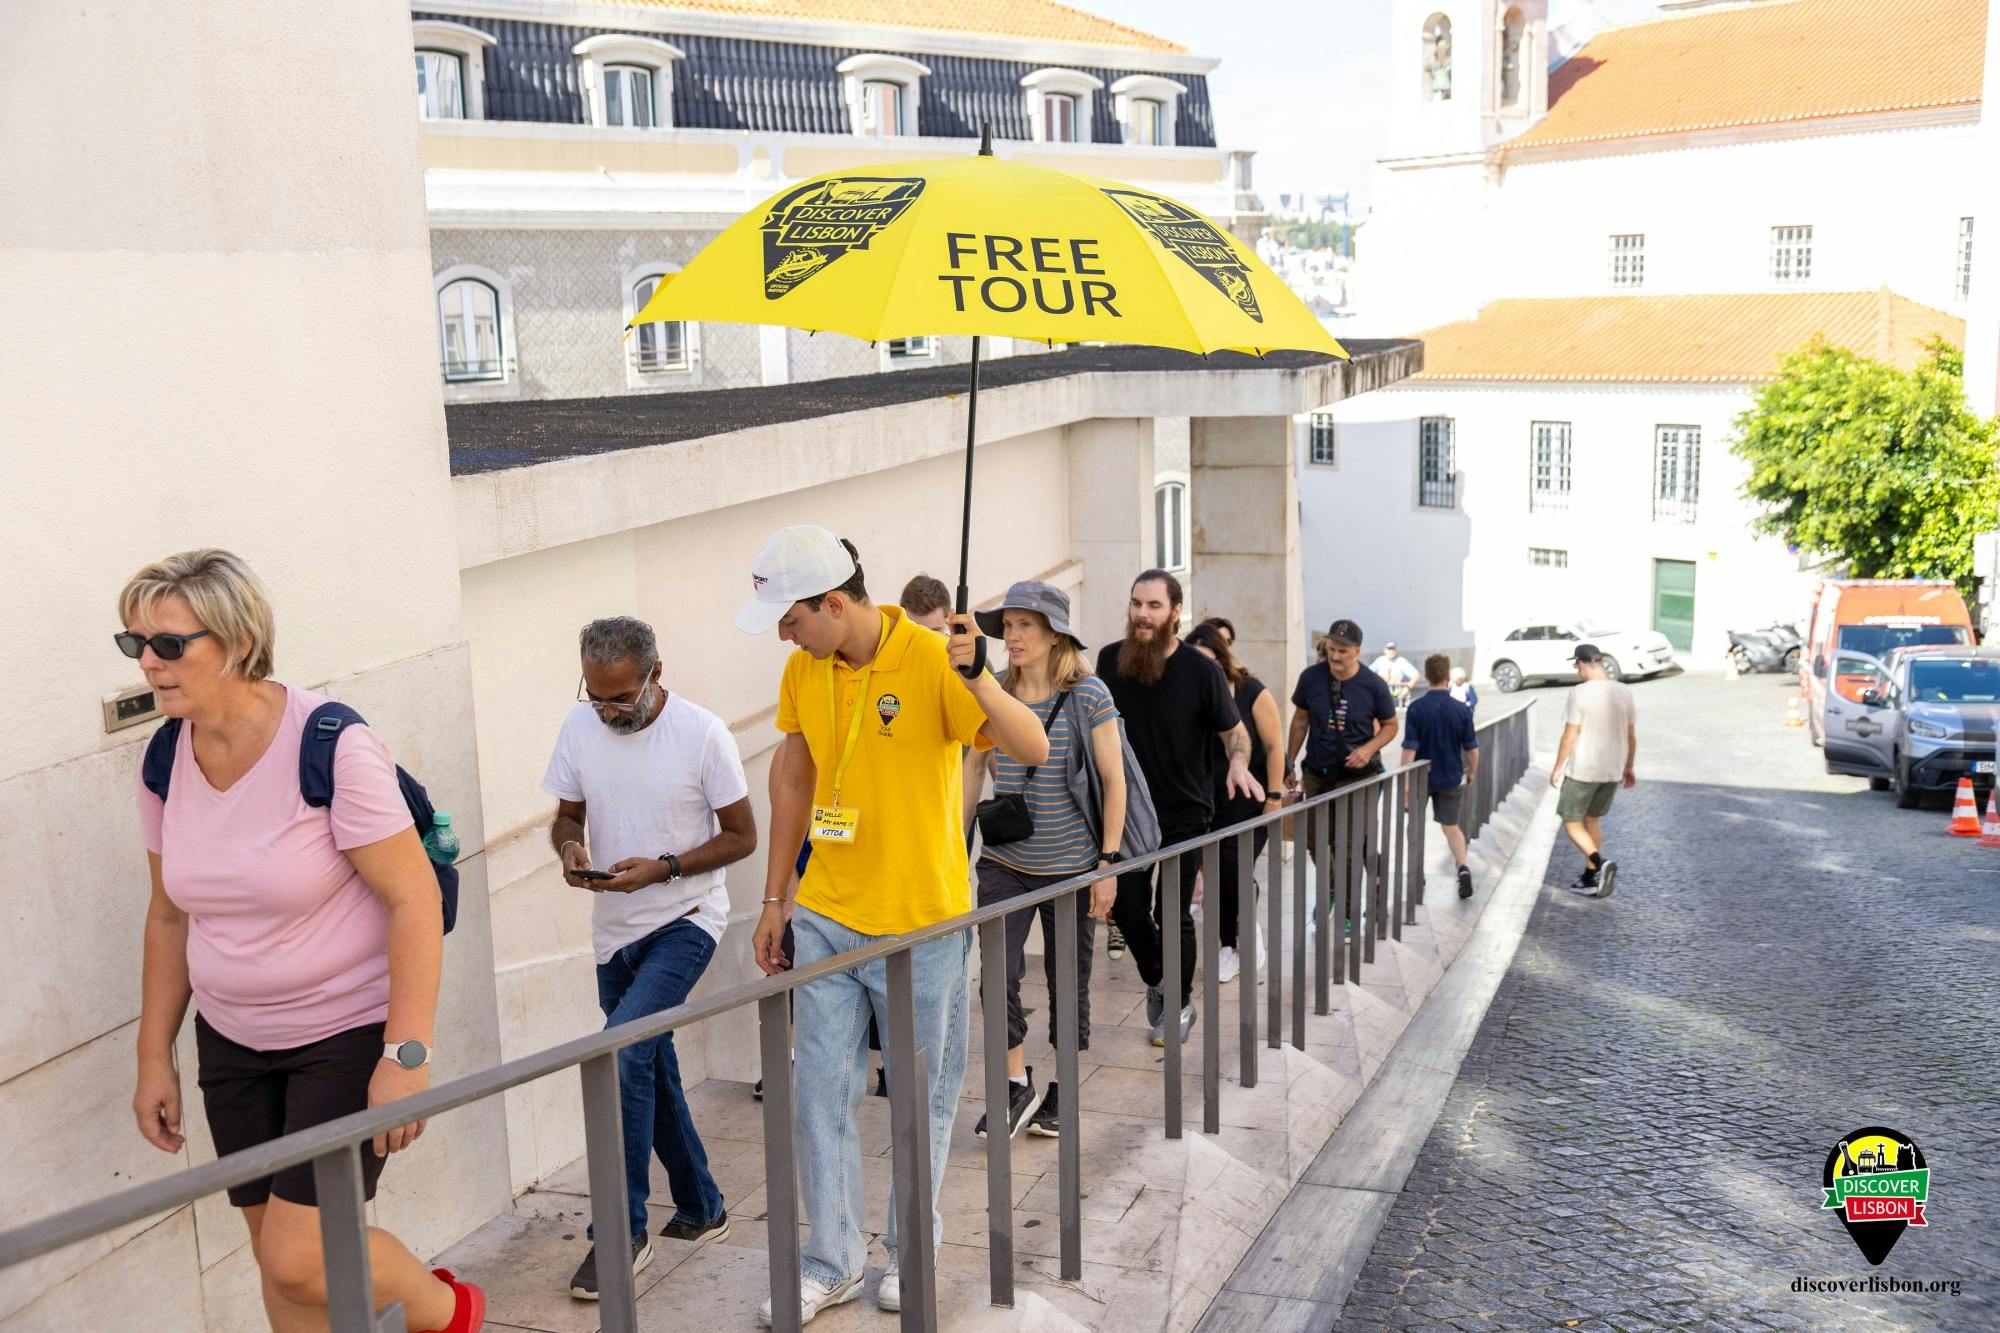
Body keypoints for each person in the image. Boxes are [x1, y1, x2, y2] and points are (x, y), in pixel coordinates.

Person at [123, 549, 484, 1333]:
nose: (149, 662)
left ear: (239, 638)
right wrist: (155, 1053)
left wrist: (407, 1053)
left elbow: (412, 897)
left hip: (344, 1033)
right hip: (231, 1041)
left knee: (300, 1255)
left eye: (170, 643)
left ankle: (450, 1311)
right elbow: (168, 915)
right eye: (136, 644)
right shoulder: (163, 759)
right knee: (276, 1262)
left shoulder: (329, 745)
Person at [739, 526, 1048, 1324]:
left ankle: (910, 1252)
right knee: (818, 1095)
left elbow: (1032, 745)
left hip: (924, 930)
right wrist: (777, 900)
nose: (782, 632)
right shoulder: (804, 666)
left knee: (921, 1103)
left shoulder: (932, 658)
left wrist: (980, 679)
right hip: (826, 919)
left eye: (790, 617)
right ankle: (831, 1261)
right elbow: (795, 779)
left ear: (833, 603)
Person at [545, 617, 757, 1299]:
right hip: (614, 926)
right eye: (596, 697)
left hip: (686, 919)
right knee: (649, 1060)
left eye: (622, 698)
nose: (608, 711)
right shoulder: (580, 729)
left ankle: (621, 1230)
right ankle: (701, 1204)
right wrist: (570, 848)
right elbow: (566, 814)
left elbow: (742, 837)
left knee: (621, 1050)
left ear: (655, 674)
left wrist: (665, 869)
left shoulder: (703, 733)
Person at [965, 581, 1125, 1139]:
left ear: (1054, 634)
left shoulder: (1089, 695)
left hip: (1073, 867)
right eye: (1006, 626)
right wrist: (956, 843)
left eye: (1023, 625)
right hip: (1005, 864)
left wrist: (1108, 865)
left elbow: (1113, 778)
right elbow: (971, 771)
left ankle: (1063, 1087)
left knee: (1068, 982)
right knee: (996, 977)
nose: (1010, 636)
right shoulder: (993, 692)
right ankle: (1015, 1085)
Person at [1095, 571, 1262, 1047]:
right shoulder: (1111, 660)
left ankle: (1180, 1003)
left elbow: (1235, 732)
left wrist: (1237, 762)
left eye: (1152, 606)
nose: (1142, 615)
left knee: (1172, 912)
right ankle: (1160, 978)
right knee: (1125, 909)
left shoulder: (1201, 671)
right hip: (1125, 811)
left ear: (1175, 611)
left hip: (1184, 814)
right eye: (1136, 604)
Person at [1284, 620, 1399, 938]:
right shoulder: (1311, 677)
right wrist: (1289, 760)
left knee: (1348, 847)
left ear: (1357, 651)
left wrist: (1368, 748)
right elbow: (1300, 720)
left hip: (1357, 778)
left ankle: (1348, 915)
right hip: (1317, 773)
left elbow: (1391, 725)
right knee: (1314, 841)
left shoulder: (1373, 685)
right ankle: (1333, 887)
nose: (1336, 656)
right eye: (1332, 649)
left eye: (1343, 651)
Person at [1184, 623, 1284, 982]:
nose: (1202, 667)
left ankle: (1244, 934)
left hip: (1249, 799)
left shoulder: (1250, 690)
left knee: (1234, 868)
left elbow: (1275, 746)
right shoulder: (1190, 693)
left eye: (1208, 660)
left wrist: (1274, 797)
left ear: (1221, 658)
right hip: (1207, 801)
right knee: (1216, 874)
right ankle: (1230, 943)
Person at [1549, 644, 1637, 898]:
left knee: (1571, 820)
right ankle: (1590, 878)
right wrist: (1629, 766)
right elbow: (1631, 735)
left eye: (1576, 666)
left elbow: (1570, 735)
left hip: (1584, 769)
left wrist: (1558, 767)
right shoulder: (1624, 692)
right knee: (1592, 819)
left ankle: (1599, 863)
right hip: (1612, 769)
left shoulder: (1579, 693)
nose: (1577, 671)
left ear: (1582, 663)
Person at [1400, 653, 1481, 900]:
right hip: (1451, 776)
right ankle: (1463, 866)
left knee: (1415, 827)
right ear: (1447, 677)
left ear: (1426, 676)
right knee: (1451, 826)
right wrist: (1472, 772)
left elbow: (1409, 750)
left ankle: (1416, 875)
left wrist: (1404, 786)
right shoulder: (1461, 710)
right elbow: (1472, 749)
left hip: (1420, 779)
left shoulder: (1416, 708)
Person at [1369, 641, 1420, 706]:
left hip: (1397, 698)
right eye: (1389, 649)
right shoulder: (1380, 661)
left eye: (1393, 649)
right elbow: (1367, 674)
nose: (1391, 651)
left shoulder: (1401, 661)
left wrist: (1407, 687)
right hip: (1381, 697)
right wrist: (1379, 678)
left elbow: (1416, 675)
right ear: (1385, 650)